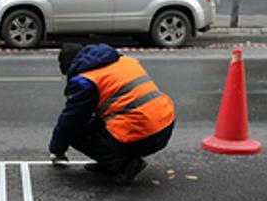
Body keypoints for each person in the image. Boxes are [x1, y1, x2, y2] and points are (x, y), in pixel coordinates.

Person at [49, 43, 175, 185]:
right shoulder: (124, 60)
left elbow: (70, 122)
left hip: (144, 134)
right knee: (99, 119)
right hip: (165, 124)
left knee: (76, 133)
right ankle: (108, 163)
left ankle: (124, 165)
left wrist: (57, 150)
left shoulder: (85, 81)